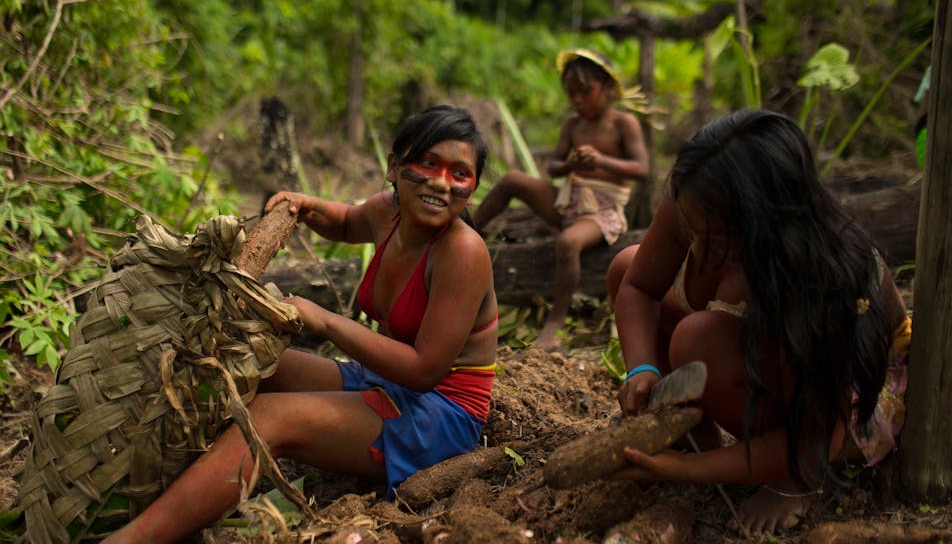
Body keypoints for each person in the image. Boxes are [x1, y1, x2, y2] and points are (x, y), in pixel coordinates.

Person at [102, 105, 499, 543]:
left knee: (270, 417)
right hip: (383, 381)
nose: (441, 184)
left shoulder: (463, 253)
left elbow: (425, 371)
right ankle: (147, 478)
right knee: (244, 361)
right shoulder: (390, 212)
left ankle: (132, 538)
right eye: (428, 164)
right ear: (394, 167)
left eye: (459, 174)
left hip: (439, 413)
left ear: (473, 185)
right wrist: (306, 205)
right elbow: (347, 221)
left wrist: (327, 322)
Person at [604, 110, 911, 536]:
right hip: (768, 352)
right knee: (626, 264)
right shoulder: (698, 197)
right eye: (692, 230)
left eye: (718, 239)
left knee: (699, 340)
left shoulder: (819, 280)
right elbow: (636, 286)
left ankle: (796, 483)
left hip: (846, 407)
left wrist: (686, 471)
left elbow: (819, 439)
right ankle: (699, 434)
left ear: (769, 223)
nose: (696, 246)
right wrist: (643, 369)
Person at [473, 49, 648, 352]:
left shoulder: (623, 123)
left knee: (568, 242)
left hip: (601, 211)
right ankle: (468, 229)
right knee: (513, 179)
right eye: (571, 95)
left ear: (607, 88)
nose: (577, 101)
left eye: (585, 92)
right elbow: (554, 167)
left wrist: (602, 161)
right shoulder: (573, 125)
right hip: (569, 200)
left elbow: (641, 169)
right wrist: (570, 166)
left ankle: (554, 323)